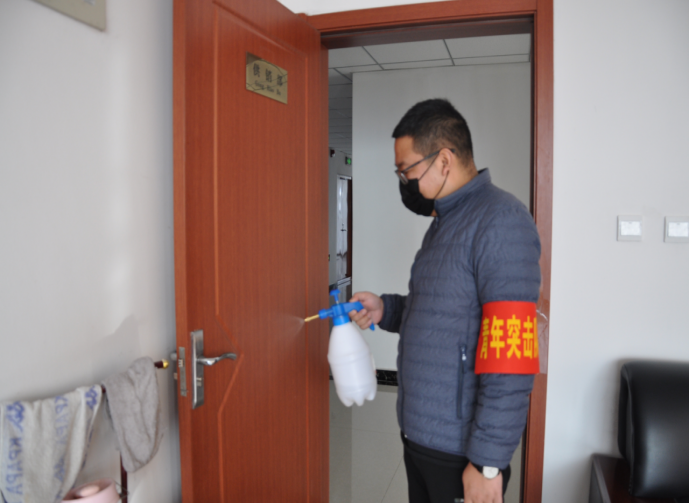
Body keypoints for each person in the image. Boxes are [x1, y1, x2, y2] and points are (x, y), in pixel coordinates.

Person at [349, 99, 541, 503]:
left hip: (460, 451)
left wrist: (487, 463)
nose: (404, 181)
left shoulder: (501, 221)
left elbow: (512, 355)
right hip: (422, 436)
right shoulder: (447, 221)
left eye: (406, 170)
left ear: (444, 160)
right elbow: (442, 310)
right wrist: (386, 309)